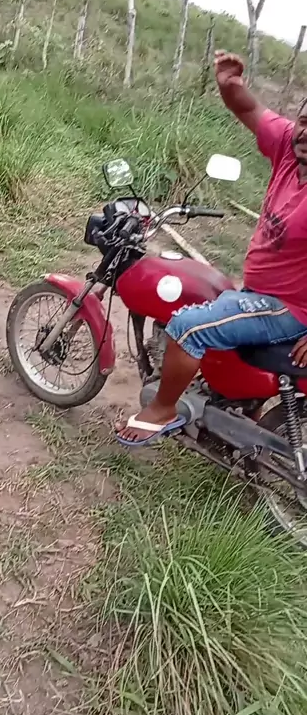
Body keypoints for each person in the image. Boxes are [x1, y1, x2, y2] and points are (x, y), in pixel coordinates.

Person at [116, 49, 307, 446]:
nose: (305, 133)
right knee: (212, 298)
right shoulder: (289, 148)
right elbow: (249, 108)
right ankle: (239, 414)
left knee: (188, 326)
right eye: (305, 121)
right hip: (261, 291)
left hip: (289, 308)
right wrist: (230, 85)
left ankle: (162, 409)